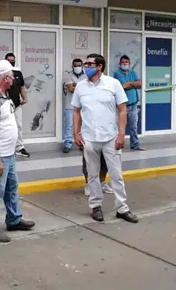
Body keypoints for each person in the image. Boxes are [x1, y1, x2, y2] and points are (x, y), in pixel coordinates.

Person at [72, 53, 138, 224]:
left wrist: (121, 134)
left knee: (116, 175)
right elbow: (76, 111)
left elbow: (122, 110)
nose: (86, 67)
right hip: (89, 138)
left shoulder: (113, 84)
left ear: (100, 66)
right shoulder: (80, 87)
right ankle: (96, 207)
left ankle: (122, 208)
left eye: (89, 64)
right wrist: (76, 133)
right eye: (85, 64)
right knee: (92, 175)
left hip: (111, 137)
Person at [0, 60, 35, 242]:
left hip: (8, 153)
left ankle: (14, 219)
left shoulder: (4, 95)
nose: (14, 79)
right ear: (5, 78)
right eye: (12, 76)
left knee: (11, 189)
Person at [113, 55, 145, 151]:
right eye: (123, 62)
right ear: (120, 64)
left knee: (133, 126)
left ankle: (135, 145)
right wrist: (133, 84)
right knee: (119, 126)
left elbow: (140, 84)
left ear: (129, 63)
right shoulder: (117, 74)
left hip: (133, 104)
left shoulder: (132, 72)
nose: (125, 64)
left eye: (126, 62)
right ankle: (116, 144)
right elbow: (122, 86)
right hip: (122, 105)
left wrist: (129, 83)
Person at [5, 53, 30, 158]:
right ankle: (7, 148)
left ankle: (20, 147)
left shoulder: (18, 73)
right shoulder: (2, 73)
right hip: (5, 105)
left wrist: (25, 98)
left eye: (13, 60)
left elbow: (21, 87)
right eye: (9, 60)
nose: (11, 62)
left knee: (18, 126)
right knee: (6, 127)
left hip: (17, 104)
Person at [62, 58, 85, 153]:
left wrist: (76, 85)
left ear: (82, 66)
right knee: (69, 125)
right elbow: (71, 89)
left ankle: (82, 144)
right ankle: (67, 144)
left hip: (83, 105)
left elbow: (90, 87)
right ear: (72, 66)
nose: (77, 67)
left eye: (79, 65)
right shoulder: (68, 74)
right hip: (70, 104)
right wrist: (82, 86)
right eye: (75, 66)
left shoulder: (87, 75)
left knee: (84, 125)